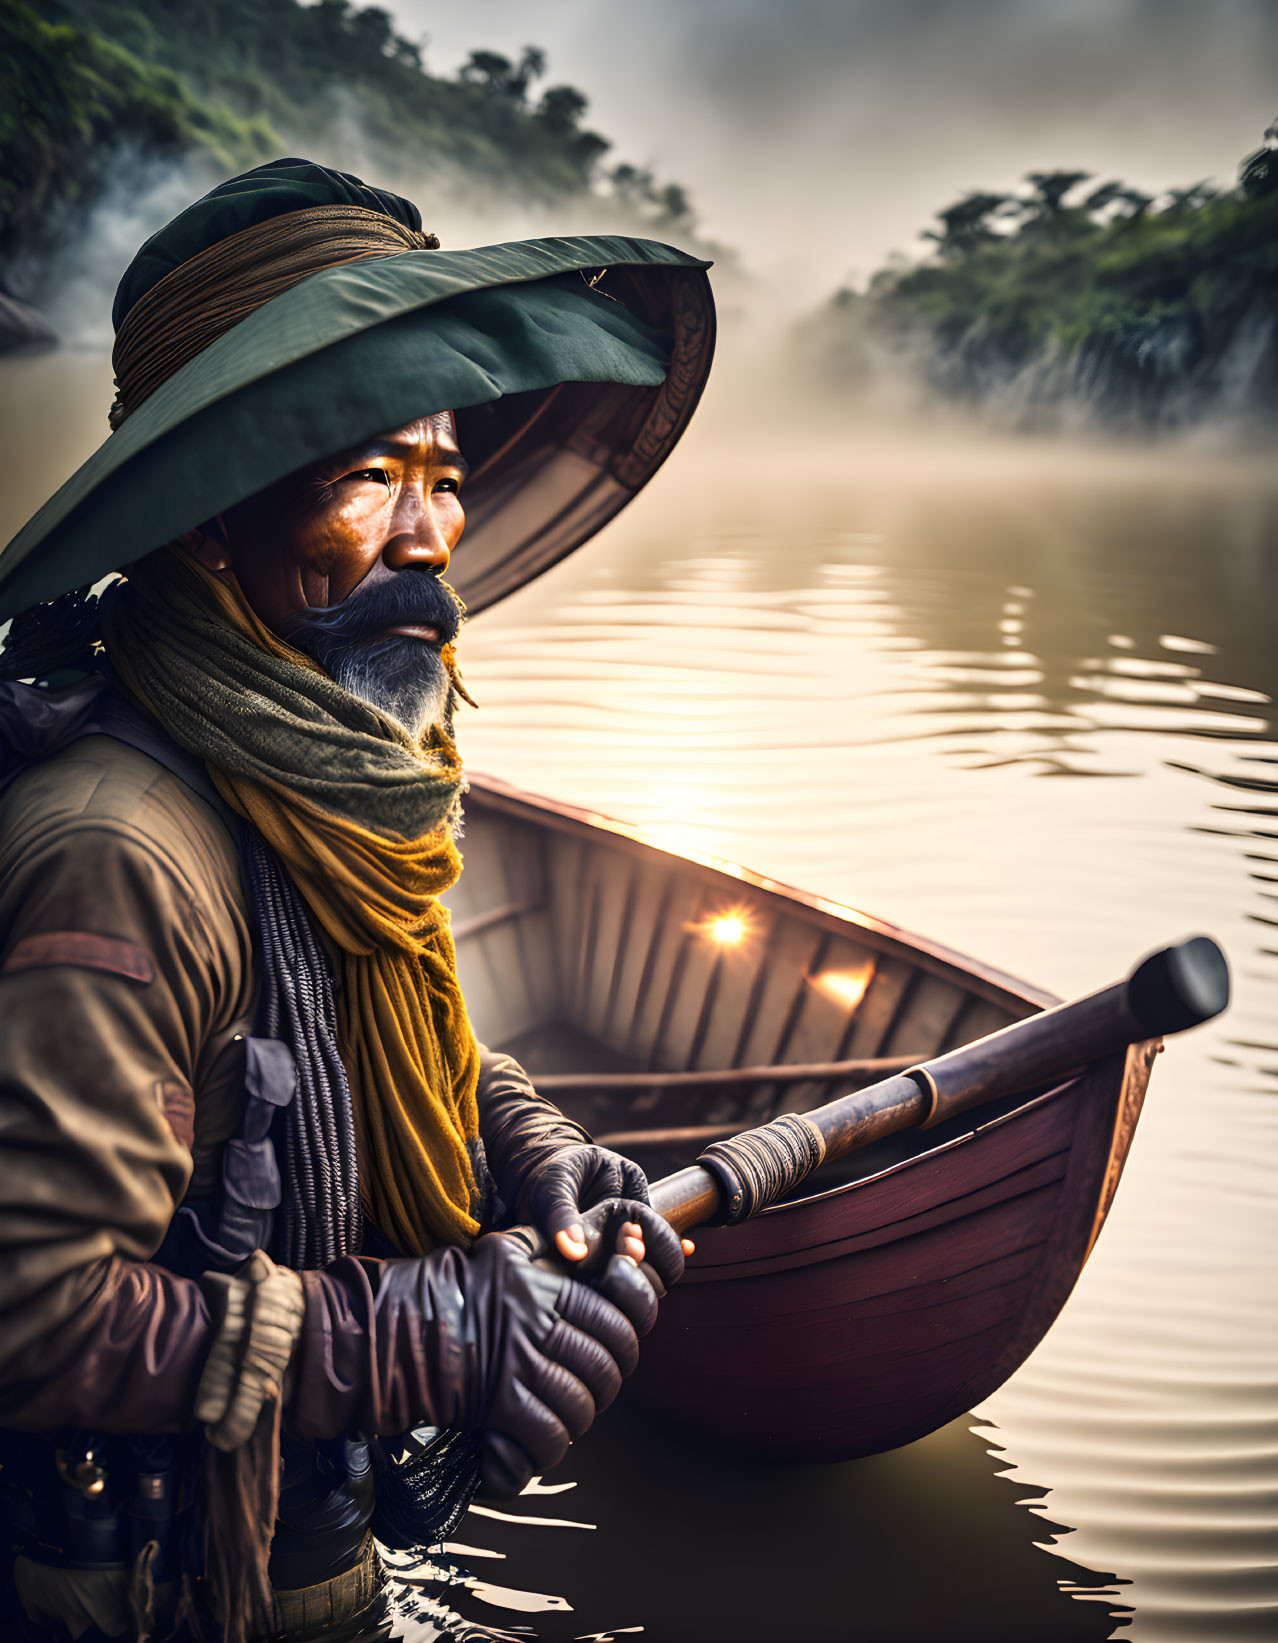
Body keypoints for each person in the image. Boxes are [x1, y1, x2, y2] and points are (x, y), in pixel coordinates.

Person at [0, 158, 715, 1642]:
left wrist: (532, 1153)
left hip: (304, 1550)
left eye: (444, 478)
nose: (429, 538)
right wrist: (428, 1331)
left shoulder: (315, 776)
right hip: (140, 1597)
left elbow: (341, 1040)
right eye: (368, 475)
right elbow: (34, 1317)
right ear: (209, 523)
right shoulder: (118, 850)